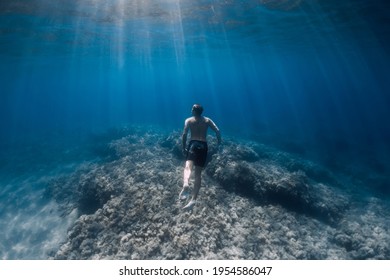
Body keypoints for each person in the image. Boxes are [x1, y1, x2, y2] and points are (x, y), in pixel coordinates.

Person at [179, 104, 221, 210]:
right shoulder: (207, 120)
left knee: (188, 166)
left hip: (193, 144)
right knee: (198, 174)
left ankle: (186, 183)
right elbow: (217, 130)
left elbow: (184, 134)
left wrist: (184, 147)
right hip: (203, 146)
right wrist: (219, 143)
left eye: (192, 108)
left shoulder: (188, 120)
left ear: (193, 110)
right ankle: (193, 200)